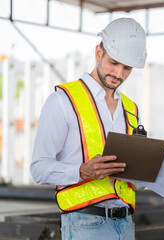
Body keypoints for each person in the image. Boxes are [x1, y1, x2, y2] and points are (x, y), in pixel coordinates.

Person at [31, 17, 147, 240]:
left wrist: (145, 171)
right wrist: (82, 171)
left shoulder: (131, 109)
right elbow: (39, 168)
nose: (119, 73)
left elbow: (133, 180)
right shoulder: (63, 101)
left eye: (127, 68)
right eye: (114, 62)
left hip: (126, 223)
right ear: (98, 52)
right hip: (85, 224)